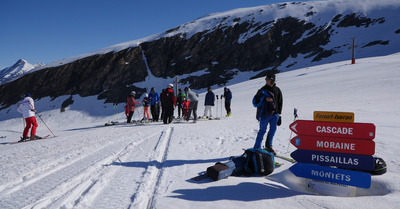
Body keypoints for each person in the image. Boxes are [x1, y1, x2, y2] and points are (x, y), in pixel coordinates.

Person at [253, 74, 283, 155]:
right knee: (262, 130)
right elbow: (255, 101)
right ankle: (257, 147)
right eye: (266, 79)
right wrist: (264, 98)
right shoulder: (262, 90)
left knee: (273, 130)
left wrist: (279, 115)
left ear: (272, 80)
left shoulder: (277, 90)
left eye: (268, 79)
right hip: (265, 115)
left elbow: (280, 102)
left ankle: (268, 146)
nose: (266, 80)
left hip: (275, 115)